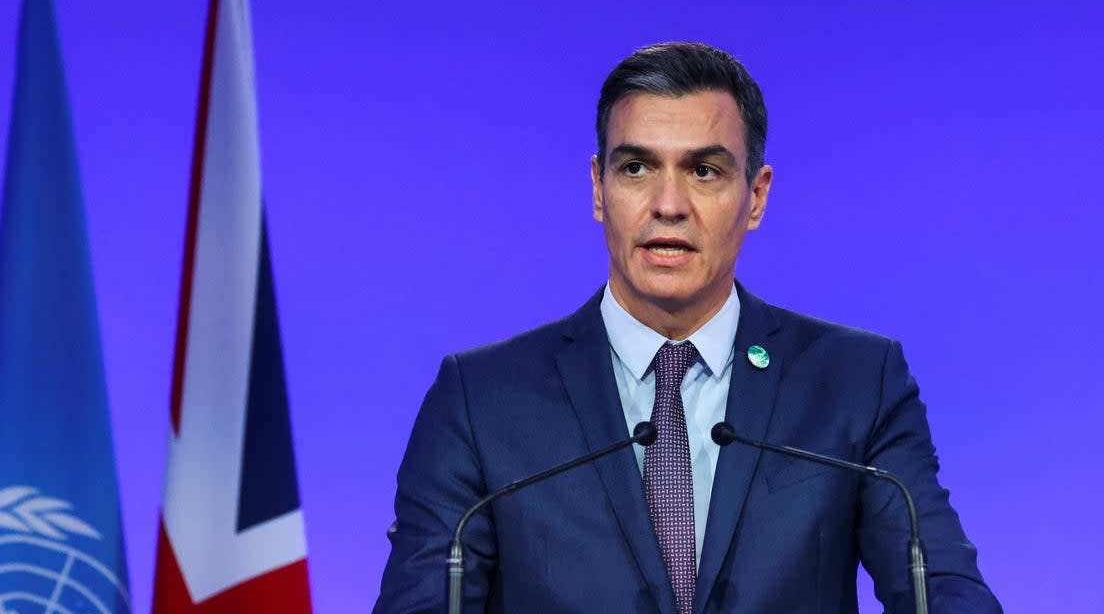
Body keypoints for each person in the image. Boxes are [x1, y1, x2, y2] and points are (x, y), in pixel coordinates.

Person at [373, 42, 1000, 613]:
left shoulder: (856, 382)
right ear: (598, 189)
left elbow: (945, 591)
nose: (668, 205)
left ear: (756, 196)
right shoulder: (480, 399)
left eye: (704, 171)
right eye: (637, 168)